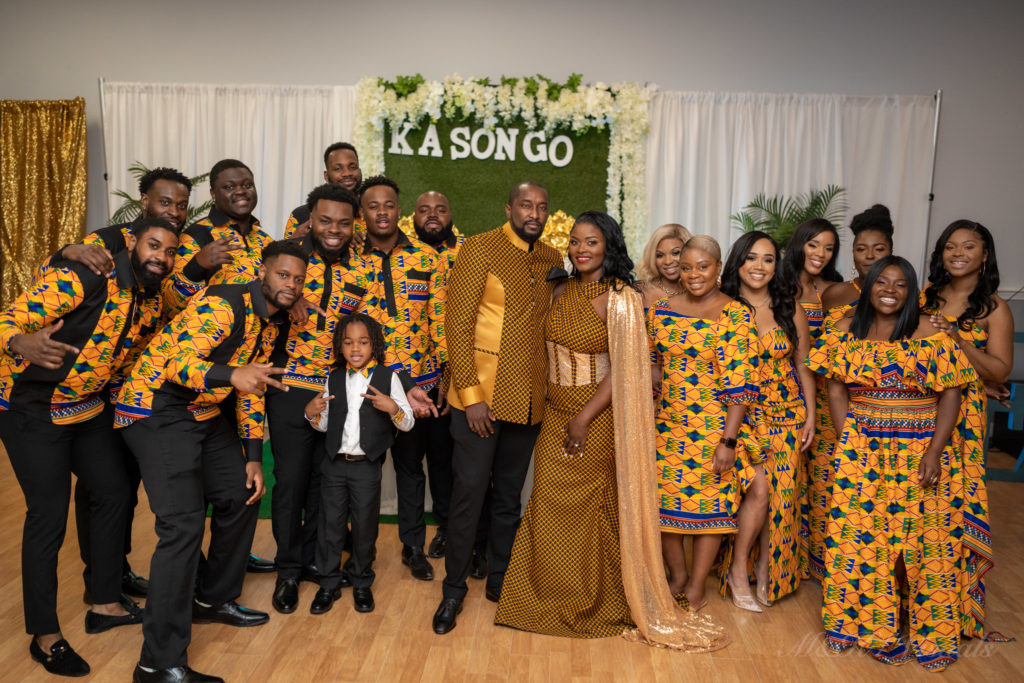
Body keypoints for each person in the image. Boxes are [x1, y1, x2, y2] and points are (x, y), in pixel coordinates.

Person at [116, 240, 308, 683]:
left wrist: (254, 457)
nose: (291, 285)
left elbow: (252, 388)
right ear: (263, 272)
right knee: (181, 527)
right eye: (283, 275)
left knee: (241, 491)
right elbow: (173, 363)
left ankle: (212, 599)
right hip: (155, 409)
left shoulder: (271, 322)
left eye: (298, 279)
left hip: (201, 412)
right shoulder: (225, 304)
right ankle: (157, 663)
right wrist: (232, 375)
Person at [0, 217, 180, 677]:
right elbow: (7, 320)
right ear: (133, 243)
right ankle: (45, 636)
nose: (161, 255)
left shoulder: (154, 294)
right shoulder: (82, 276)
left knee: (115, 491)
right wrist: (22, 342)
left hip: (85, 408)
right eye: (153, 245)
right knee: (48, 516)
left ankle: (104, 603)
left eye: (169, 251)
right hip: (31, 409)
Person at [809, 256, 975, 671]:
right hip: (862, 450)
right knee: (857, 540)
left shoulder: (931, 335)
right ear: (867, 287)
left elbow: (951, 395)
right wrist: (853, 442)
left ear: (912, 291)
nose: (890, 290)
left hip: (921, 450)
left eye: (901, 285)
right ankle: (858, 627)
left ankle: (933, 635)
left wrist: (935, 451)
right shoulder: (843, 333)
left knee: (928, 542)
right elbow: (835, 392)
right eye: (882, 282)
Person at [432, 181, 564, 635]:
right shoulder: (480, 249)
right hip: (480, 401)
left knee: (509, 496)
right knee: (469, 493)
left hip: (529, 401)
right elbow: (457, 325)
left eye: (542, 207)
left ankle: (502, 580)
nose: (534, 213)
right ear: (509, 207)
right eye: (526, 205)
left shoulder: (552, 259)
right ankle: (453, 591)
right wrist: (470, 397)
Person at [267, 183, 371, 614]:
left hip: (337, 391)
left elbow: (374, 325)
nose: (334, 230)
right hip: (289, 389)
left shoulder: (361, 269)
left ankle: (313, 560)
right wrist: (291, 295)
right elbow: (254, 291)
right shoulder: (289, 261)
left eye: (344, 223)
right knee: (290, 483)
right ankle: (288, 570)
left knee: (322, 485)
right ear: (310, 218)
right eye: (326, 221)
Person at [647, 235, 759, 612]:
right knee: (664, 507)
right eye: (686, 267)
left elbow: (741, 385)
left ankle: (696, 586)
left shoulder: (734, 314)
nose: (694, 274)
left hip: (714, 426)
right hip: (668, 424)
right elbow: (650, 357)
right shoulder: (661, 309)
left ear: (718, 267)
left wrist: (728, 442)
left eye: (703, 266)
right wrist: (654, 374)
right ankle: (676, 576)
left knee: (709, 510)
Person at [922, 220, 1013, 640]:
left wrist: (959, 341)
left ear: (985, 255)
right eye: (950, 246)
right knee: (917, 507)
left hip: (963, 424)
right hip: (916, 413)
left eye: (969, 246)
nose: (957, 253)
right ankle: (914, 600)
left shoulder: (994, 308)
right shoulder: (925, 297)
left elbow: (999, 369)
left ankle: (952, 607)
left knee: (952, 506)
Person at [355, 176, 446, 582]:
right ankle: (358, 556)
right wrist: (396, 375)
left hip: (422, 387)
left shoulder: (428, 259)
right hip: (369, 385)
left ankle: (413, 547)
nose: (382, 212)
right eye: (373, 206)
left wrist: (446, 373)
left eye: (389, 204)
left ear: (399, 209)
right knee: (363, 471)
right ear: (363, 213)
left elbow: (440, 323)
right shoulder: (350, 263)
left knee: (412, 469)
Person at [719, 231, 815, 609]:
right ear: (738, 262)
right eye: (752, 258)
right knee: (755, 492)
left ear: (777, 266)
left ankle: (767, 568)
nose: (759, 266)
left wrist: (809, 413)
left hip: (786, 416)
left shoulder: (790, 308)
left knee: (782, 498)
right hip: (740, 418)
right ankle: (738, 569)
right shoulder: (722, 305)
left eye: (768, 259)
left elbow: (803, 363)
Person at [304, 313, 415, 615]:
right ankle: (328, 583)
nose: (356, 348)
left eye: (363, 342)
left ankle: (362, 581)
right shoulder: (334, 377)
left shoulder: (387, 377)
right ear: (340, 347)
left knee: (365, 526)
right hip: (334, 465)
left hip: (367, 466)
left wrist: (393, 407)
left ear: (374, 345)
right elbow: (324, 425)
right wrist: (312, 413)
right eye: (349, 342)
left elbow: (408, 423)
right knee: (331, 525)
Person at [407, 190, 488, 571]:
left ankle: (477, 537)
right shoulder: (406, 255)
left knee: (469, 463)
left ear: (452, 213)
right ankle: (447, 527)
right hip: (424, 378)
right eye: (424, 210)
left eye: (440, 208)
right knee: (438, 460)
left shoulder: (473, 251)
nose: (433, 215)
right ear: (414, 217)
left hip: (470, 374)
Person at [780, 218, 843, 583]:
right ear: (799, 245)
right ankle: (785, 559)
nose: (820, 253)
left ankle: (819, 562)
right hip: (784, 393)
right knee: (786, 478)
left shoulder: (836, 290)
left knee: (823, 480)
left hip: (828, 395)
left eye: (829, 247)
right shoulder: (778, 286)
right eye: (814, 244)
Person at [164, 159, 274, 319]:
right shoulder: (196, 235)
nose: (241, 191)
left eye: (247, 185)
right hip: (214, 341)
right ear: (213, 194)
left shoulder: (266, 240)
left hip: (262, 342)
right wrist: (196, 266)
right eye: (229, 187)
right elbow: (170, 307)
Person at [820, 204, 894, 312]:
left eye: (879, 249)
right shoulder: (833, 294)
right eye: (861, 249)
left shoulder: (906, 294)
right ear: (853, 253)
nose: (870, 256)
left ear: (891, 253)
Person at [285, 142, 364, 239]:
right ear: (326, 176)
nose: (347, 173)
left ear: (359, 171)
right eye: (338, 168)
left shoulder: (373, 214)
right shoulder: (301, 215)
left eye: (352, 167)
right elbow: (285, 252)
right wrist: (296, 240)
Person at [637, 223, 692, 310]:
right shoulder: (640, 292)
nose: (668, 261)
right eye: (660, 255)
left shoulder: (698, 291)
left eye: (675, 253)